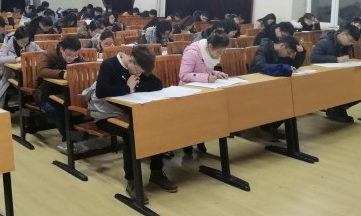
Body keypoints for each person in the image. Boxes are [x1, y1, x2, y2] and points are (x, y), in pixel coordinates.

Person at [91, 45, 177, 202]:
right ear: (131, 60)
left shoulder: (139, 67)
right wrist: (127, 88)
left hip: (130, 112)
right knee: (131, 133)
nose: (139, 75)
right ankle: (132, 180)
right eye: (138, 72)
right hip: (106, 114)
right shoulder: (109, 65)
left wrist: (134, 87)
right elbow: (101, 91)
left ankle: (156, 172)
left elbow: (156, 84)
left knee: (155, 126)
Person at [179, 29, 230, 155]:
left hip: (204, 89)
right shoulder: (192, 52)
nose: (220, 55)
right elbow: (183, 75)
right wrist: (205, 78)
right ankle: (187, 141)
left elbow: (206, 69)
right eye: (219, 52)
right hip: (188, 91)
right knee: (193, 117)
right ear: (210, 46)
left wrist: (217, 73)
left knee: (206, 115)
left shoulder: (209, 52)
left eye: (222, 52)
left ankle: (200, 138)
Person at [35, 36, 84, 152]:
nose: (71, 58)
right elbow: (41, 71)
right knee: (58, 110)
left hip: (65, 93)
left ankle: (74, 139)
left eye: (75, 55)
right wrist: (62, 74)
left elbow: (84, 65)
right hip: (44, 94)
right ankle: (69, 140)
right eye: (68, 55)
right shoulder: (49, 55)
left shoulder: (76, 55)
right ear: (61, 49)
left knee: (79, 107)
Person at [311, 24, 361, 123]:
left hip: (338, 75)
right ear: (343, 34)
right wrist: (335, 59)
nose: (351, 44)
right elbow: (314, 58)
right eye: (350, 41)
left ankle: (337, 109)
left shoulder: (345, 45)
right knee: (344, 87)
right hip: (323, 76)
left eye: (353, 43)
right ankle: (338, 110)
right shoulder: (325, 42)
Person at [0, 27, 40, 107]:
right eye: (22, 42)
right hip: (12, 76)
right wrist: (15, 59)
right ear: (16, 39)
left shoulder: (31, 44)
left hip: (31, 75)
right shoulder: (7, 46)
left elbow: (42, 54)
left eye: (26, 41)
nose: (24, 44)